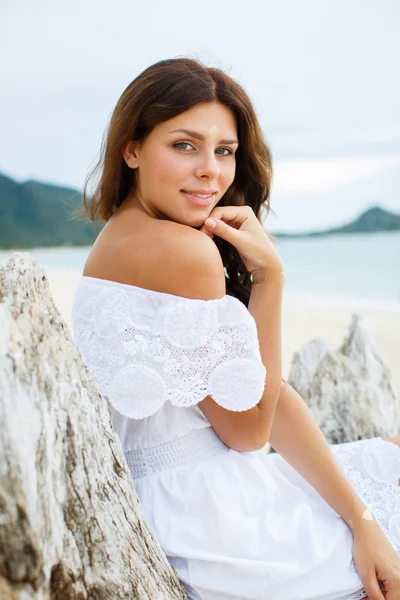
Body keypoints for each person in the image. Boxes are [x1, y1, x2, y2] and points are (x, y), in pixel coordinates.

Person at [71, 57, 400, 600]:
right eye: (184, 145)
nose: (211, 171)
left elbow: (273, 397)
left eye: (224, 150)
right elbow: (249, 432)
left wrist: (361, 519)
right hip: (211, 522)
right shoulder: (185, 254)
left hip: (192, 492)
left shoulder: (124, 237)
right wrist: (269, 279)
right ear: (132, 149)